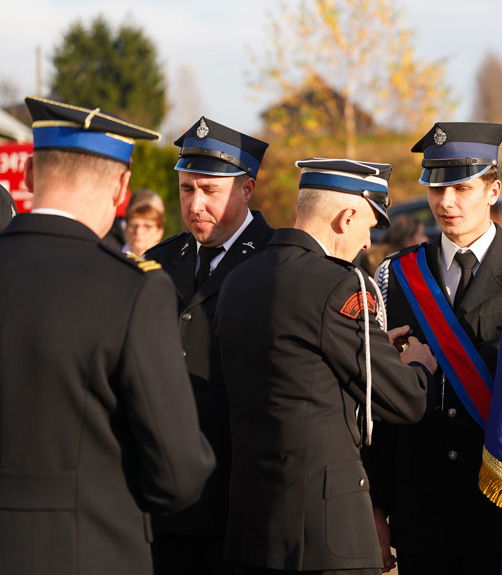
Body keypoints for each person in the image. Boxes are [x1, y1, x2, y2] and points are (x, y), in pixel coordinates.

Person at [0, 96, 215, 575]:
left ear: (31, 177)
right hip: (84, 550)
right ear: (122, 188)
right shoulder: (133, 288)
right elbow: (177, 476)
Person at [216, 157, 439, 575]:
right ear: (346, 217)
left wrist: (371, 352)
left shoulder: (239, 279)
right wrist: (416, 366)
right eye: (369, 227)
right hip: (323, 535)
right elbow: (406, 401)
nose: (368, 244)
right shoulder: (337, 284)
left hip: (251, 526)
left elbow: (297, 367)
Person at [364, 122, 502, 575]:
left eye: (461, 188)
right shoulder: (398, 275)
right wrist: (376, 506)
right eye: (435, 188)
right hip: (421, 509)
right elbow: (380, 405)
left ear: (493, 191)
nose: (445, 202)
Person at [145, 117, 274, 575]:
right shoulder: (158, 262)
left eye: (209, 191)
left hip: (242, 496)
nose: (196, 204)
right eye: (186, 190)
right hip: (170, 498)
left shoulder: (275, 263)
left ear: (246, 190)